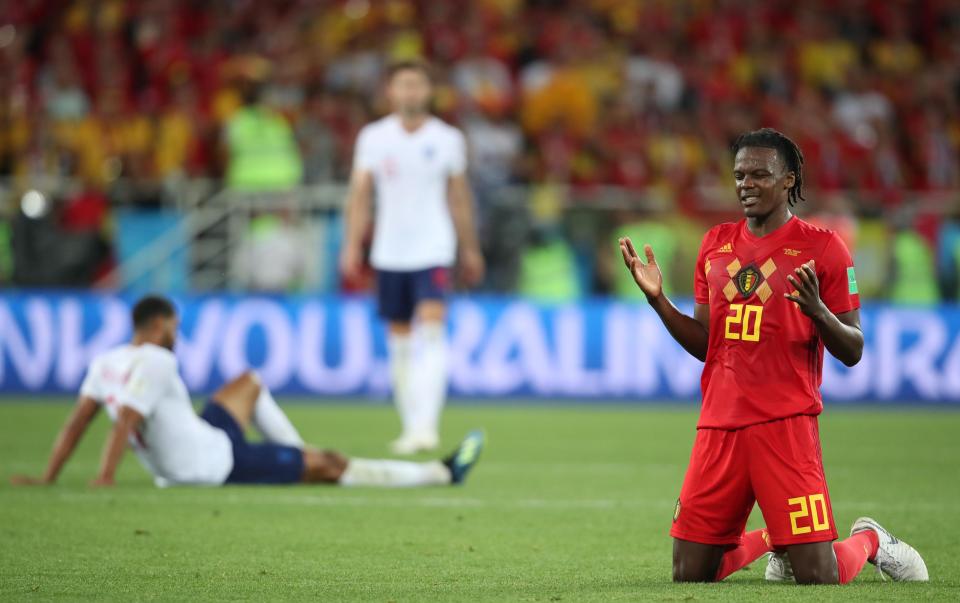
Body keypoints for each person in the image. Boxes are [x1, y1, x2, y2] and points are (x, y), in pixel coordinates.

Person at [618, 128, 928, 584]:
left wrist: (819, 312)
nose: (747, 183)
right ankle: (775, 538)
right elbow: (708, 344)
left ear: (789, 179)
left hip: (786, 426)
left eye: (760, 174)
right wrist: (659, 301)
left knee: (818, 578)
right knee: (689, 574)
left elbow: (854, 349)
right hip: (719, 425)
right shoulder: (715, 245)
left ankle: (871, 541)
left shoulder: (822, 248)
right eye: (740, 175)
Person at [10, 295, 484, 489]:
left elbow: (77, 423)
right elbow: (128, 422)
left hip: (203, 435)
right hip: (212, 465)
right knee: (332, 464)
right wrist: (105, 478)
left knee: (250, 382)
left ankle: (296, 450)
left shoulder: (105, 362)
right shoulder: (157, 359)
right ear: (157, 327)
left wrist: (48, 479)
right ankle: (438, 474)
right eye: (174, 326)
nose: (178, 333)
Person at [340, 61, 485, 454]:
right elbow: (360, 196)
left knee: (433, 330)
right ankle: (410, 427)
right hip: (389, 251)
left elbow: (458, 196)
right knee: (400, 342)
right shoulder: (373, 137)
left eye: (417, 85)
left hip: (433, 247)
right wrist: (351, 245)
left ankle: (427, 427)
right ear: (390, 92)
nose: (410, 92)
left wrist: (469, 247)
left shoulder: (447, 138)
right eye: (402, 85)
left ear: (428, 91)